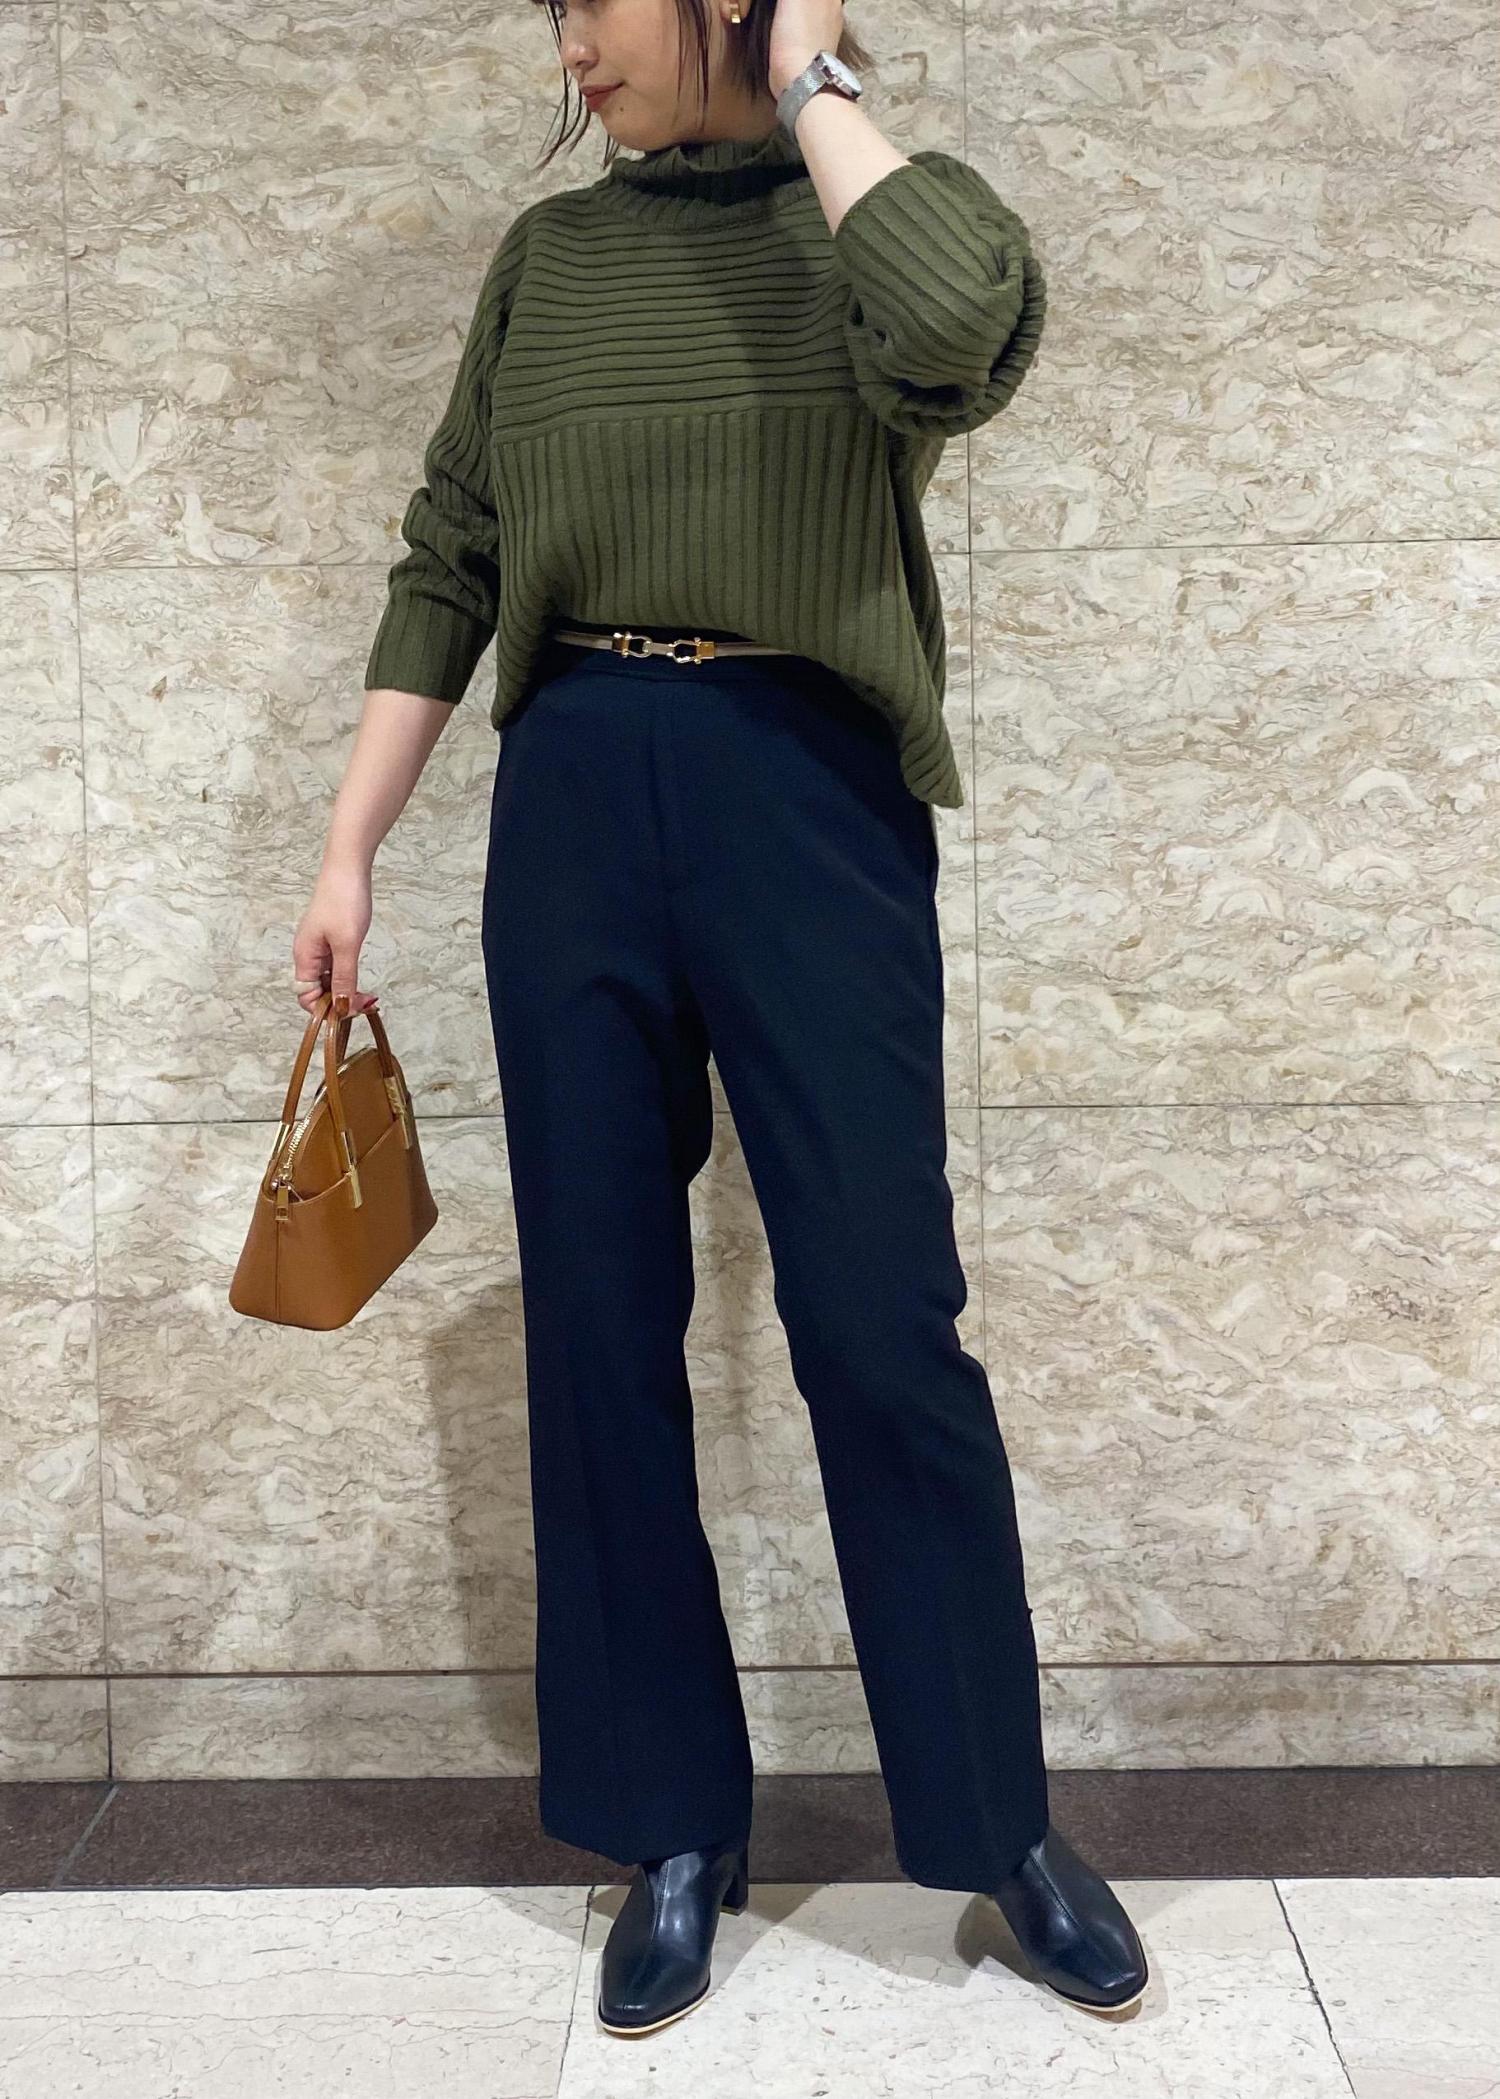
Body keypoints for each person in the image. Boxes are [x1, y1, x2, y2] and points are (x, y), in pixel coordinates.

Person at [293, 0, 1149, 2042]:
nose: (572, 46)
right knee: (600, 1320)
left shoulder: (863, 229)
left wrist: (811, 76)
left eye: (599, 0)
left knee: (880, 1315)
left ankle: (998, 1821)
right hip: (578, 790)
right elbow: (453, 551)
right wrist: (348, 848)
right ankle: (670, 1824)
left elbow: (967, 329)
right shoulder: (550, 261)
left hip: (806, 790)